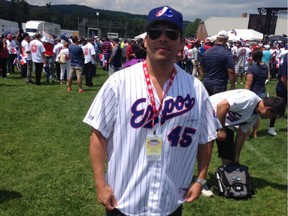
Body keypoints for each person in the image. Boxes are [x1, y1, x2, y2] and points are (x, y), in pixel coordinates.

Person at [83, 5, 218, 215]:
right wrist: (100, 184)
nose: (163, 38)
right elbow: (98, 135)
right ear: (145, 41)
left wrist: (200, 179)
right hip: (124, 200)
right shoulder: (119, 83)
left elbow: (206, 138)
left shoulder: (196, 90)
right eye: (155, 32)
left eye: (171, 34)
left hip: (170, 200)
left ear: (181, 42)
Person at [210, 89, 285, 165]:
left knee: (228, 154)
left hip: (226, 122)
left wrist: (236, 158)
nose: (270, 118)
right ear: (268, 109)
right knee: (205, 148)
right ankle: (201, 176)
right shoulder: (248, 99)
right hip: (208, 113)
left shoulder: (255, 117)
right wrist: (222, 130)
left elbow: (241, 134)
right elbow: (221, 106)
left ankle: (226, 172)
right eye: (272, 116)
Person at [199, 30, 236, 96]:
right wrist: (232, 85)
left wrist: (205, 77)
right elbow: (231, 71)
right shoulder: (227, 53)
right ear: (226, 39)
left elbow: (200, 67)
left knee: (207, 104)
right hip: (219, 84)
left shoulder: (207, 52)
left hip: (207, 83)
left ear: (217, 39)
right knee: (217, 104)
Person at [245, 49, 268, 138]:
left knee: (249, 114)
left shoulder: (252, 68)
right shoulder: (266, 66)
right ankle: (255, 133)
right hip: (262, 91)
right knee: (256, 115)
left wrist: (245, 93)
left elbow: (248, 83)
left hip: (253, 93)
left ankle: (246, 133)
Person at [268, 52, 287, 136]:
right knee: (277, 107)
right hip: (282, 89)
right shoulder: (287, 60)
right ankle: (271, 127)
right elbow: (283, 78)